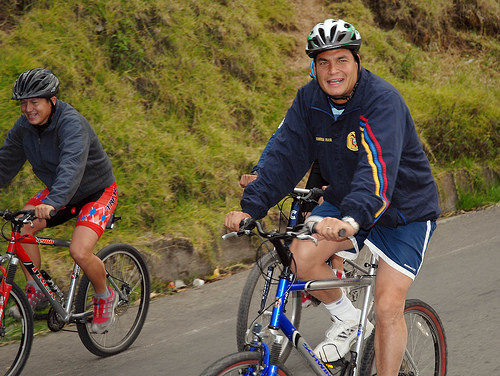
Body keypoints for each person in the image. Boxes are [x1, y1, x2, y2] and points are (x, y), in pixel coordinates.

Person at [225, 19, 441, 375]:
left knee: (388, 307)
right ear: (313, 66)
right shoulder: (310, 100)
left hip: (404, 208)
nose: (332, 70)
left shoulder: (382, 101)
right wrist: (250, 207)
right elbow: (284, 155)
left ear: (356, 62)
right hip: (347, 199)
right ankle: (350, 321)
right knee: (299, 259)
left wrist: (350, 220)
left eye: (341, 59)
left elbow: (378, 167)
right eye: (323, 62)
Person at [1, 68, 119, 334]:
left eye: (34, 102)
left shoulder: (71, 124)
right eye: (24, 103)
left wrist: (53, 202)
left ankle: (104, 295)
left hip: (96, 192)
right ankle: (36, 290)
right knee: (21, 227)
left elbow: (71, 167)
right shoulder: (24, 129)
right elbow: (4, 164)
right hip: (61, 193)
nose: (28, 109)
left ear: (52, 101)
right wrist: (54, 199)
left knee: (79, 251)